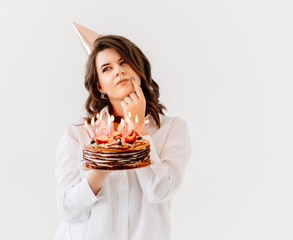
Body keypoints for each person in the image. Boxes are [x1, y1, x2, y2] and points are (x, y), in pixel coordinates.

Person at [54, 25, 192, 240]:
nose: (118, 71)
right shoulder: (79, 132)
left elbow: (160, 191)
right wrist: (100, 170)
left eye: (123, 62)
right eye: (107, 68)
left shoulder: (171, 129)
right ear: (100, 86)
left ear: (139, 70)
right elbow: (67, 209)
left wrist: (138, 129)